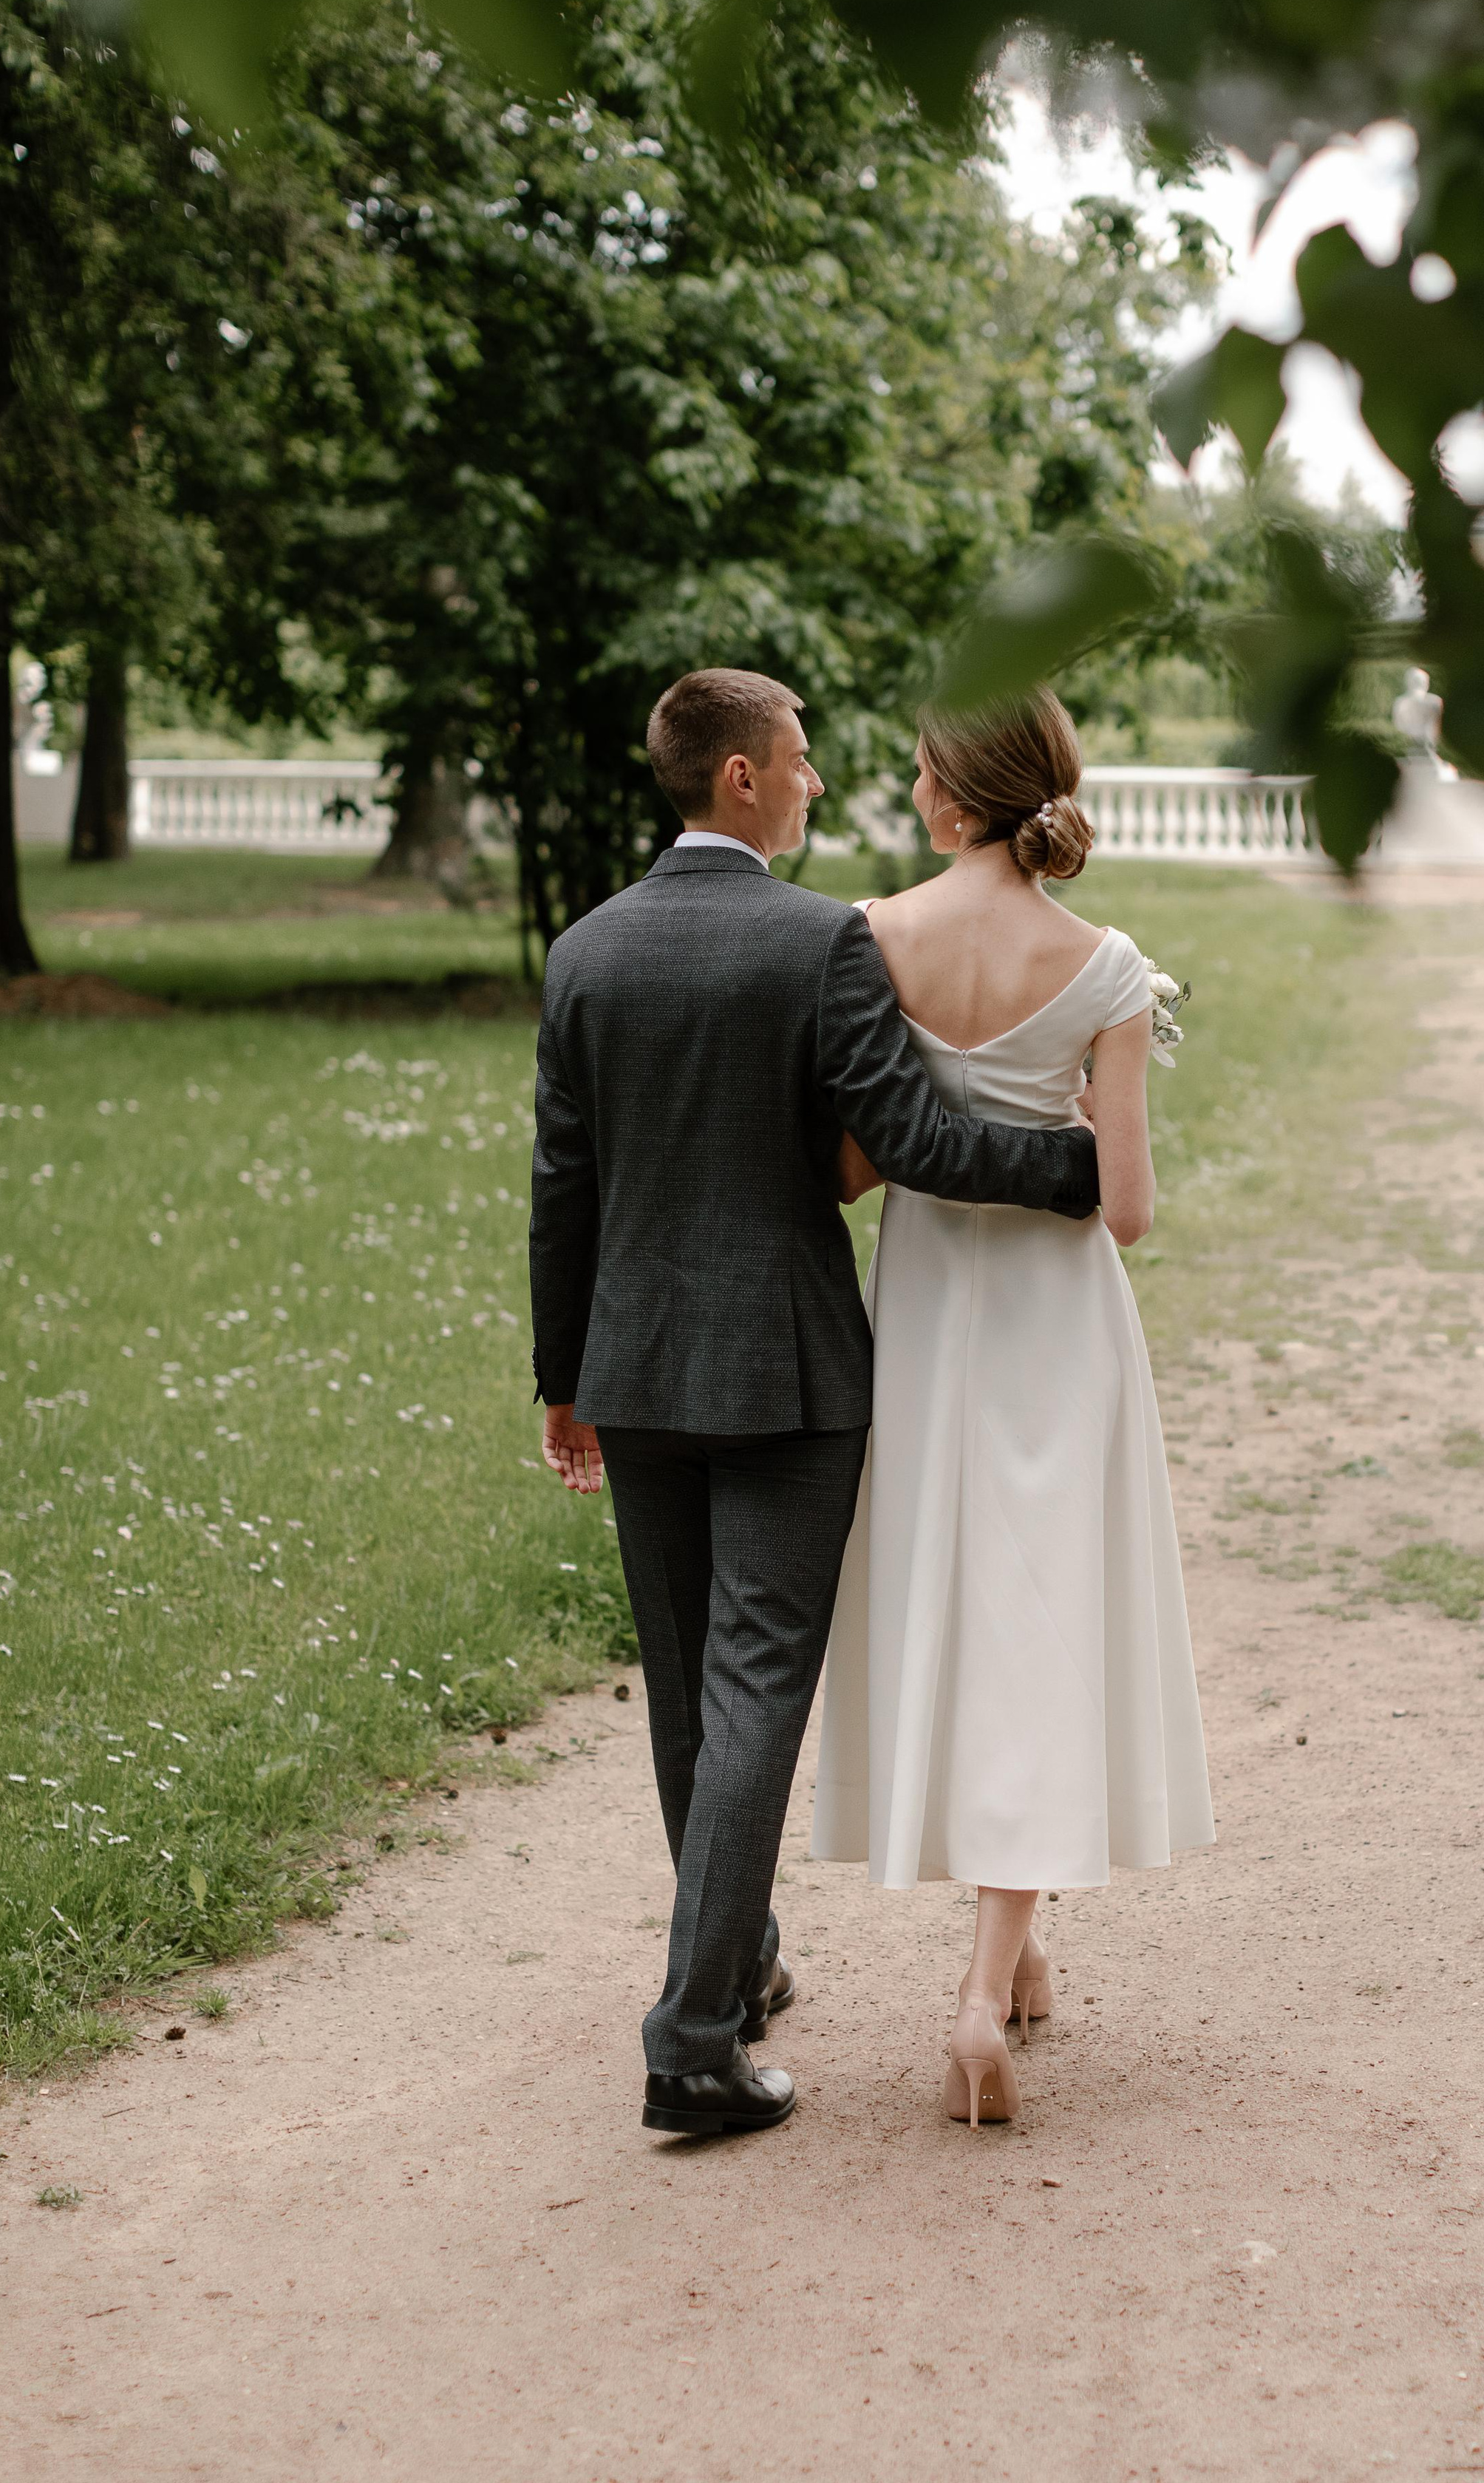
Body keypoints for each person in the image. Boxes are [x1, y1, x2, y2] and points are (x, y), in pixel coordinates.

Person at [528, 668, 1103, 2139]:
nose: (810, 783)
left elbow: (564, 1187)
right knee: (755, 1683)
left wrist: (560, 1377)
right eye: (793, 763)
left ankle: (735, 1964)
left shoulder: (582, 953)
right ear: (738, 780)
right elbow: (909, 1133)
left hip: (635, 1368)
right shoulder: (814, 944)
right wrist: (1072, 1167)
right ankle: (693, 2042)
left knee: (684, 1683)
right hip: (786, 1373)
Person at [811, 689, 1214, 2128]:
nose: (911, 788)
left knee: (961, 1613)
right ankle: (993, 1981)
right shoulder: (1105, 967)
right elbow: (1127, 1210)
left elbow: (858, 1169)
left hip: (924, 1315)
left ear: (947, 791)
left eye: (920, 769)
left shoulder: (872, 936)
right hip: (1055, 1324)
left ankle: (1008, 1954)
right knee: (1042, 1624)